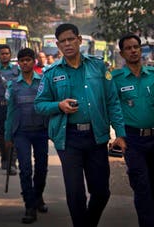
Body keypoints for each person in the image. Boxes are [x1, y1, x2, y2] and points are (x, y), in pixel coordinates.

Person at [35, 23, 127, 227]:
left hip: (96, 136)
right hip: (68, 138)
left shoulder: (98, 66)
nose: (67, 44)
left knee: (101, 191)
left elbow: (112, 101)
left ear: (79, 40)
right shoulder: (51, 73)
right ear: (58, 45)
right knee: (75, 193)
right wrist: (59, 105)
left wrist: (120, 134)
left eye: (71, 39)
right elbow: (39, 104)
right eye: (63, 41)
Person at [112, 33, 154, 227]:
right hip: (132, 139)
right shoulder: (116, 79)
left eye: (136, 46)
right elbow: (114, 109)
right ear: (122, 53)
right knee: (141, 183)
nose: (133, 50)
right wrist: (119, 135)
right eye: (128, 48)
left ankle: (147, 216)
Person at [4, 48, 49, 223]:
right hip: (21, 133)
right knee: (25, 170)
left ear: (34, 61)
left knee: (41, 169)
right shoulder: (13, 85)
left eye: (28, 60)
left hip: (41, 132)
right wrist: (8, 136)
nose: (25, 63)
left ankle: (38, 197)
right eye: (22, 60)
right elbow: (10, 112)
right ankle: (29, 206)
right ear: (18, 63)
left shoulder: (43, 83)